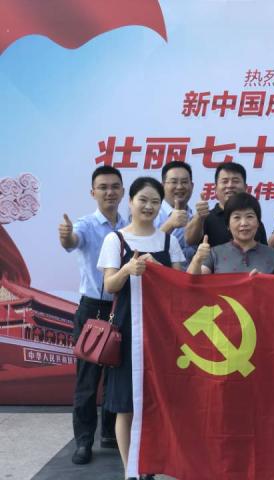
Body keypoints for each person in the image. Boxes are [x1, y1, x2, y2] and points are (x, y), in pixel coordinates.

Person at [97, 177, 184, 480]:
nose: (148, 206)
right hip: (127, 330)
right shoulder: (116, 240)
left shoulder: (168, 241)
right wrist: (127, 269)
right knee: (126, 405)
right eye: (143, 200)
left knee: (158, 402)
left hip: (162, 333)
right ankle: (131, 471)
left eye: (155, 202)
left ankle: (151, 465)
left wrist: (158, 270)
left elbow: (180, 287)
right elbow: (110, 285)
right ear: (130, 202)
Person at [58, 166, 126, 465]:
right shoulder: (86, 224)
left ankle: (110, 434)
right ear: (93, 192)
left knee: (116, 378)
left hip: (121, 307)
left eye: (115, 186)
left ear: (122, 191)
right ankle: (84, 442)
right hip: (93, 309)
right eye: (103, 187)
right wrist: (66, 237)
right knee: (87, 381)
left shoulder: (129, 225)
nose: (109, 192)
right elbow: (73, 241)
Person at [188, 192, 274, 275]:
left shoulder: (273, 255)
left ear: (258, 223)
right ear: (228, 225)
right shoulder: (214, 253)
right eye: (237, 217)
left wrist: (265, 283)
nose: (244, 223)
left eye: (249, 216)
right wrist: (197, 259)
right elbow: (193, 282)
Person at [185, 162, 267, 247]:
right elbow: (190, 241)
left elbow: (265, 252)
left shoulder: (253, 220)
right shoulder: (206, 218)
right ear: (215, 188)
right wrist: (199, 216)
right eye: (225, 181)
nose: (230, 185)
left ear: (245, 187)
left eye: (235, 181)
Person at [155, 161, 208, 264]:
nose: (179, 187)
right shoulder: (152, 214)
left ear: (192, 186)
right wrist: (170, 224)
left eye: (184, 182)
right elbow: (145, 246)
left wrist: (199, 218)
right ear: (162, 186)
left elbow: (192, 242)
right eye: (174, 182)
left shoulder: (195, 216)